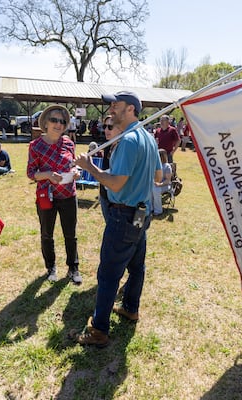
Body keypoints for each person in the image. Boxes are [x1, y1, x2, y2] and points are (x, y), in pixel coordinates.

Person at [72, 91, 161, 347]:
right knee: (136, 267)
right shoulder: (147, 137)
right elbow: (156, 176)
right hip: (141, 215)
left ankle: (99, 330)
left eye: (116, 104)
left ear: (131, 109)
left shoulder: (129, 139)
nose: (111, 108)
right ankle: (130, 308)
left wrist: (90, 167)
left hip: (123, 214)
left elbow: (117, 184)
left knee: (109, 274)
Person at [27, 105, 82, 284]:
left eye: (62, 121)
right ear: (46, 123)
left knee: (70, 234)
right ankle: (51, 267)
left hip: (68, 195)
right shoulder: (36, 146)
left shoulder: (68, 143)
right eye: (54, 120)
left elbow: (73, 164)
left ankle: (73, 268)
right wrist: (48, 175)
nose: (58, 124)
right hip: (47, 197)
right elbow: (31, 173)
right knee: (47, 234)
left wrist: (75, 171)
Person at [98, 115, 122, 222]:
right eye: (105, 126)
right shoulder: (107, 145)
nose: (106, 130)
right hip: (104, 194)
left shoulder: (123, 147)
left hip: (117, 199)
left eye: (110, 127)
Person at [152, 149, 173, 216]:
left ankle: (158, 210)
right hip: (155, 184)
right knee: (149, 189)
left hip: (165, 185)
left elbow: (168, 180)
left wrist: (160, 184)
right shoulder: (155, 165)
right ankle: (150, 208)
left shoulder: (167, 166)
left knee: (156, 190)